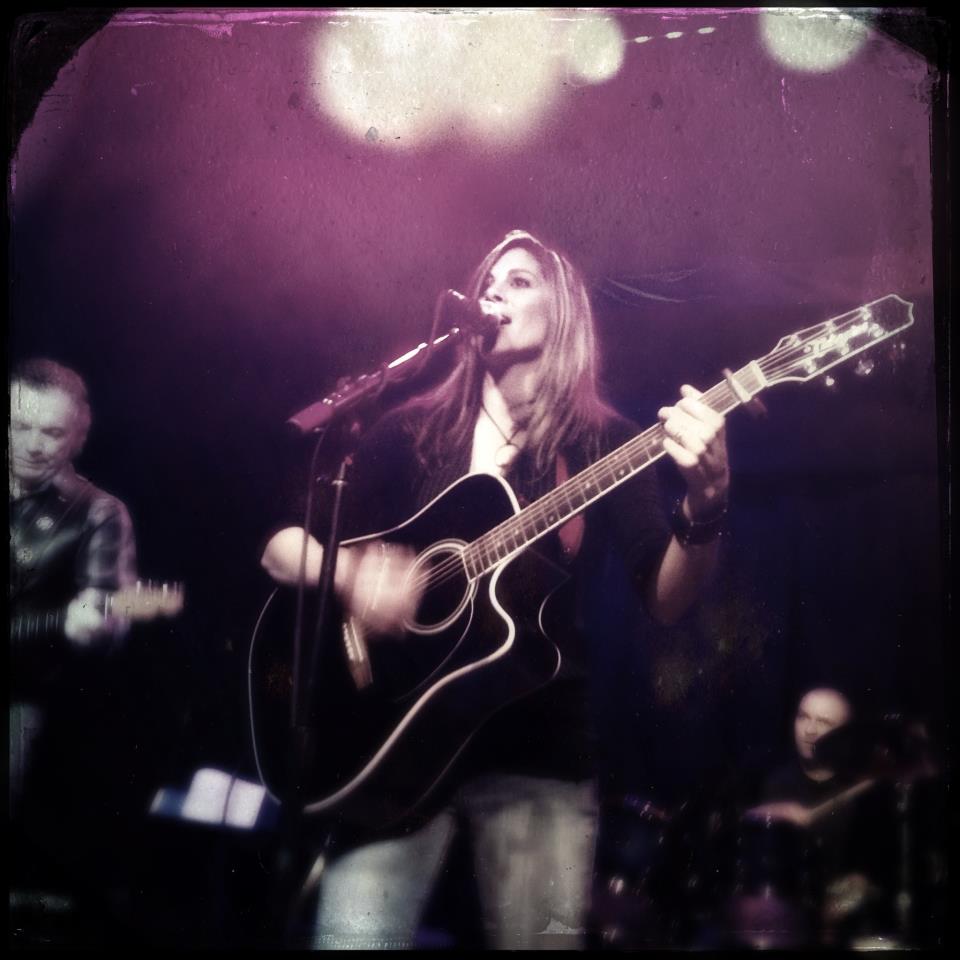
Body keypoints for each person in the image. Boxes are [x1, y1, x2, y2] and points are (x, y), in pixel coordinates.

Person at [260, 229, 730, 949]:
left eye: (519, 281)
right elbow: (280, 546)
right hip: (391, 743)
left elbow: (666, 599)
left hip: (537, 754)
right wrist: (352, 575)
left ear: (563, 311)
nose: (492, 294)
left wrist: (706, 504)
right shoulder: (410, 430)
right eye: (488, 282)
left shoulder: (604, 442)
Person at [9, 358, 138, 930]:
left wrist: (96, 625)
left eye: (52, 432)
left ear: (78, 436)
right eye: (20, 426)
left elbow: (110, 608)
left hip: (24, 697)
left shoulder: (97, 512)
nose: (34, 445)